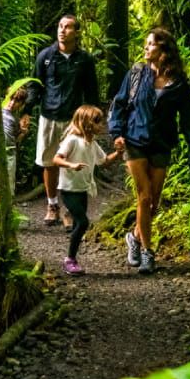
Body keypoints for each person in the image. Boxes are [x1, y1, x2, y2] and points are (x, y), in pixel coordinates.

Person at [108, 27, 190, 275]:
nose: (146, 48)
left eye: (151, 44)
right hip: (135, 139)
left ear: (163, 49)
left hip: (162, 142)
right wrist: (116, 133)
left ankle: (134, 237)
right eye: (146, 44)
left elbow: (188, 119)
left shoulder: (179, 82)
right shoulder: (137, 73)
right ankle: (148, 253)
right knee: (144, 197)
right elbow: (119, 103)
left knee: (154, 202)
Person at [34, 14, 101, 226]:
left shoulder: (85, 60)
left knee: (72, 164)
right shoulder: (45, 56)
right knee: (49, 163)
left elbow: (92, 91)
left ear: (77, 32)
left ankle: (70, 210)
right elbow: (36, 86)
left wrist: (93, 118)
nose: (63, 30)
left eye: (68, 27)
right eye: (60, 26)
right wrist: (26, 111)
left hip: (75, 121)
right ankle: (52, 205)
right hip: (49, 116)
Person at [50, 104, 122, 275]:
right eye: (98, 122)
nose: (102, 126)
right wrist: (71, 164)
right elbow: (56, 159)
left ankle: (72, 259)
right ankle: (69, 259)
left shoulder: (92, 143)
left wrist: (118, 153)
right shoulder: (72, 140)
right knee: (83, 222)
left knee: (78, 223)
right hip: (69, 189)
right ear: (87, 123)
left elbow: (103, 161)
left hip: (82, 189)